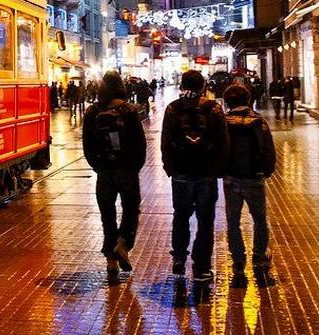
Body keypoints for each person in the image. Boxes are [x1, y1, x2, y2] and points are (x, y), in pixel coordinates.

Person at [161, 70, 229, 282]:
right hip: (206, 173)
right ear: (203, 86)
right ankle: (202, 267)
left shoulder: (173, 108)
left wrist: (170, 168)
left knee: (180, 215)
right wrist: (218, 169)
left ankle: (179, 257)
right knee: (205, 220)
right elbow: (223, 142)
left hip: (181, 173)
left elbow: (165, 141)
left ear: (182, 85)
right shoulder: (213, 108)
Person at [83, 71, 147, 280]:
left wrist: (98, 166)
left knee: (107, 216)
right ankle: (123, 244)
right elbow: (140, 144)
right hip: (127, 170)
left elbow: (87, 145)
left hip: (104, 172)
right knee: (130, 210)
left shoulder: (92, 111)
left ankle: (111, 261)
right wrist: (134, 167)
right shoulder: (129, 110)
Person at [221, 84, 276, 288]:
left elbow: (220, 150)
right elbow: (268, 150)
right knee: (260, 220)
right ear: (248, 100)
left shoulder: (224, 123)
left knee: (233, 222)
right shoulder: (258, 122)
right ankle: (260, 259)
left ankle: (238, 262)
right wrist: (267, 171)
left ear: (227, 102)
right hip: (254, 178)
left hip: (231, 178)